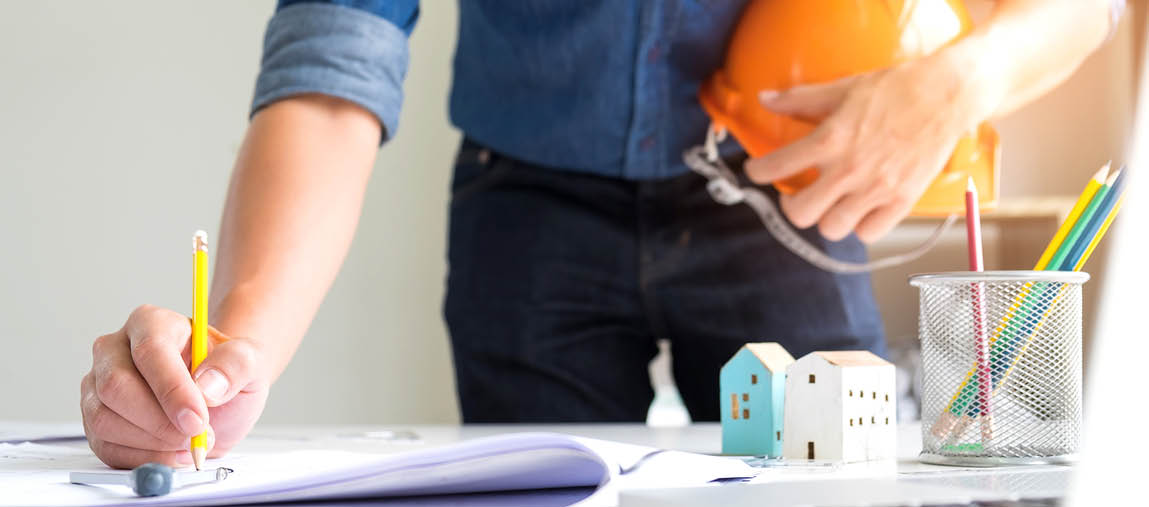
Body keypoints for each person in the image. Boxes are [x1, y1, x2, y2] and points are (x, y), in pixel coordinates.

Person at [80, 0, 1123, 468]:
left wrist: (957, 83)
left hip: (780, 205)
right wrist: (243, 353)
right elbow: (338, 43)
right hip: (525, 209)